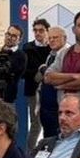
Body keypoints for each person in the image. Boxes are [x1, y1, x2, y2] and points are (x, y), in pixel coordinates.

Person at [22, 19, 53, 147]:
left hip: (51, 89)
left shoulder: (52, 48)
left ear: (47, 31)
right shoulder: (27, 48)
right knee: (36, 124)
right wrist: (39, 72)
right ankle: (30, 153)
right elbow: (23, 71)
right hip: (33, 89)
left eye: (41, 30)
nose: (38, 33)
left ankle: (49, 149)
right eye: (35, 30)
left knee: (50, 122)